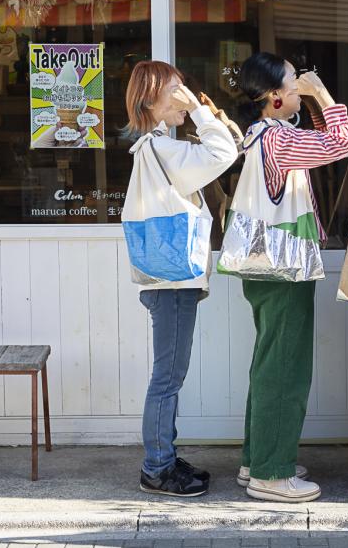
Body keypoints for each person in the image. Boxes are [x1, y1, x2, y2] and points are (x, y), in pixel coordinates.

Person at [235, 51, 348, 502]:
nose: (301, 85)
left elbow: (324, 140)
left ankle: (259, 459)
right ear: (273, 97)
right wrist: (324, 94)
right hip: (282, 268)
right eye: (293, 82)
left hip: (268, 266)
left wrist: (311, 99)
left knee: (270, 362)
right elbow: (344, 144)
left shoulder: (265, 135)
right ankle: (272, 472)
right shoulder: (278, 142)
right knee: (285, 368)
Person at [124, 60, 239, 497]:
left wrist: (195, 112)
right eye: (176, 89)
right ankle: (157, 467)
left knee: (169, 374)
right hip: (171, 283)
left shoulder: (157, 148)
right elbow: (224, 153)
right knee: (168, 377)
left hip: (165, 279)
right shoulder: (163, 148)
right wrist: (201, 113)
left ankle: (164, 456)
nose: (185, 96)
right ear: (151, 99)